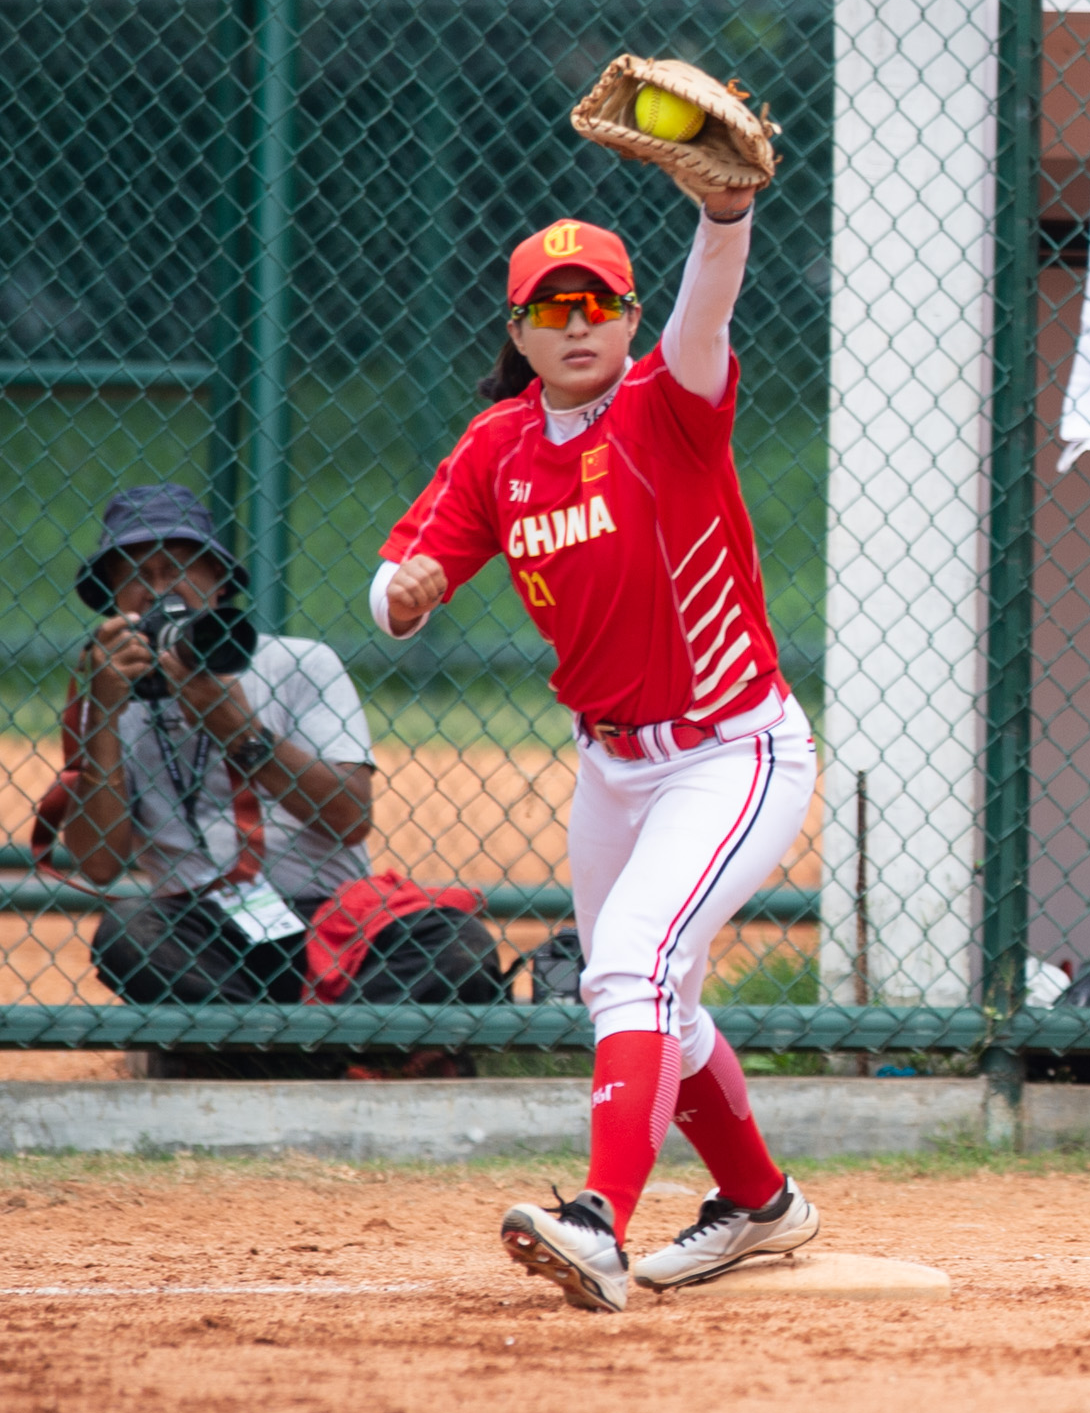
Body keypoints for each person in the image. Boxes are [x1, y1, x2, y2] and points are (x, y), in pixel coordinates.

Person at [375, 171, 820, 1313]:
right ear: (517, 331)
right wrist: (407, 592)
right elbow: (390, 586)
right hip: (613, 765)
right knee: (650, 990)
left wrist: (726, 216)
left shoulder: (671, 400)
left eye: (598, 305)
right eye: (550, 310)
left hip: (732, 750)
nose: (576, 326)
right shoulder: (497, 447)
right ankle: (761, 1206)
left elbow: (709, 307)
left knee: (625, 959)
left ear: (629, 318)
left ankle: (598, 1226)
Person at [51, 485, 376, 1004]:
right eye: (137, 574)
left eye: (178, 567)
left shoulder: (299, 664)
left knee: (452, 943)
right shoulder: (109, 692)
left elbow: (350, 816)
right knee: (128, 933)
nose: (160, 590)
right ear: (113, 599)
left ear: (220, 581)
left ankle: (236, 1049)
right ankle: (309, 1047)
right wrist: (104, 721)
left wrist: (238, 731)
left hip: (330, 914)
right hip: (200, 930)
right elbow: (98, 865)